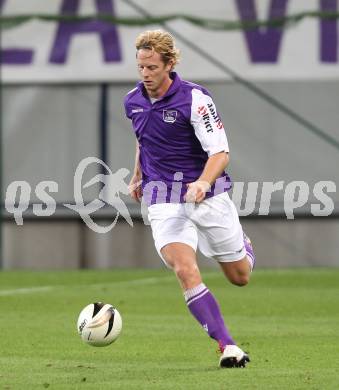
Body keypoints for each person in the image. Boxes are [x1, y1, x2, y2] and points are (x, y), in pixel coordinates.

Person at [124, 30, 255, 368]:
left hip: (206, 195)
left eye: (152, 67)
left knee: (239, 277)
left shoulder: (196, 99)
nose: (145, 74)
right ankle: (228, 346)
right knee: (184, 269)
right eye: (141, 66)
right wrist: (137, 173)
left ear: (169, 63)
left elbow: (221, 153)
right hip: (162, 197)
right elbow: (144, 138)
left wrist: (201, 183)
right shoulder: (132, 101)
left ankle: (242, 243)